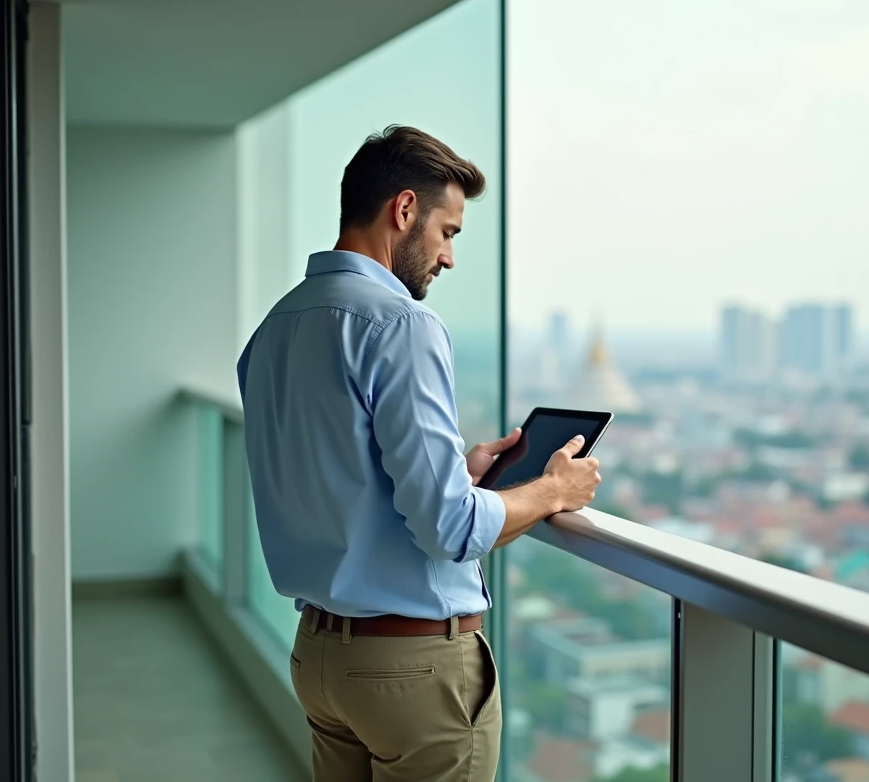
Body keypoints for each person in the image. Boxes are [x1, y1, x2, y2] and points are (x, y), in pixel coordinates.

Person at [236, 125, 601, 781]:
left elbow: (335, 481)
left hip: (321, 661)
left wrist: (460, 473)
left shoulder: (275, 328)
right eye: (449, 232)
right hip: (410, 673)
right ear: (404, 210)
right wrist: (554, 491)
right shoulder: (403, 323)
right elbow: (453, 529)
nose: (449, 257)